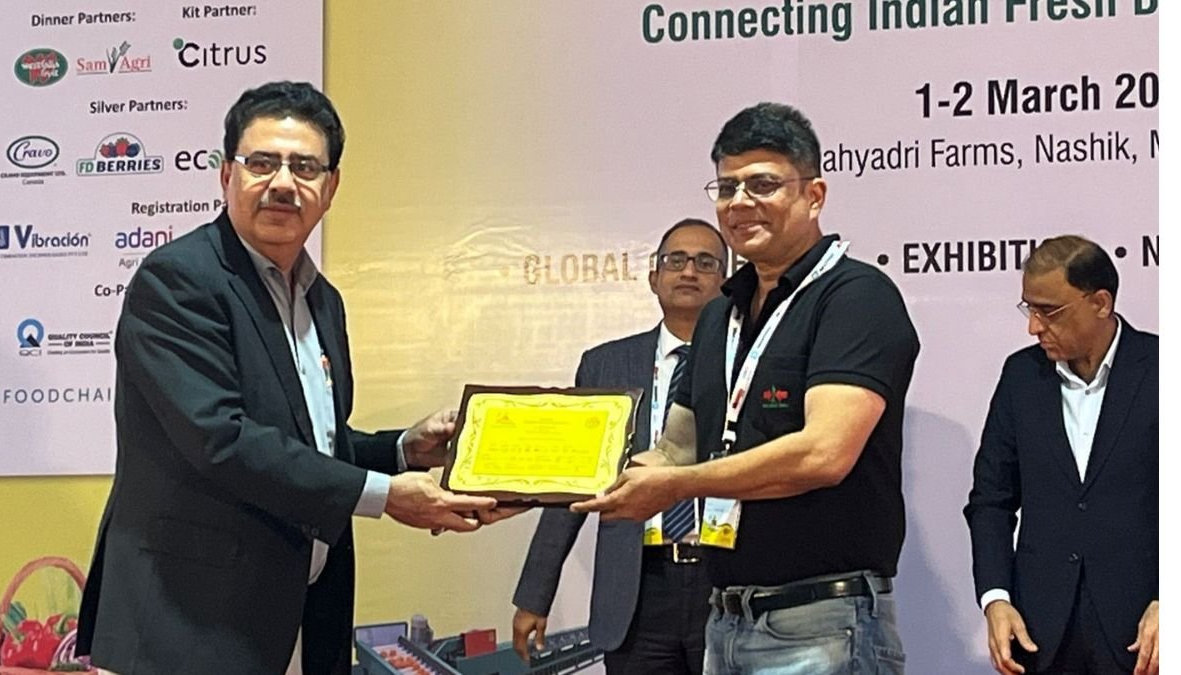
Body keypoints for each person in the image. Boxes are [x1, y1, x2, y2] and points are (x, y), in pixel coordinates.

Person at [76, 81, 501, 675]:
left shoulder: (323, 300)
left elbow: (307, 444)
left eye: (304, 167)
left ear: (330, 187)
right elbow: (221, 439)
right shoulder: (178, 280)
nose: (282, 183)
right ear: (226, 175)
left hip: (299, 616)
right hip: (190, 624)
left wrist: (403, 450)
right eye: (262, 163)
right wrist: (384, 496)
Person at [574, 102, 920, 674]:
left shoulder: (856, 297)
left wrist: (675, 485)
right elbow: (677, 446)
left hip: (821, 622)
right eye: (727, 186)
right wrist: (552, 483)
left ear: (814, 195)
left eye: (762, 185)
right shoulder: (720, 314)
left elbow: (823, 455)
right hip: (727, 620)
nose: (739, 203)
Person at [511, 219, 728, 673]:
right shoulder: (606, 365)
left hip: (725, 581)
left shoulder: (746, 361)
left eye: (706, 263)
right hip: (635, 589)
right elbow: (571, 485)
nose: (689, 271)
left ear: (726, 282)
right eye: (676, 261)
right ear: (653, 277)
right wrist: (535, 594)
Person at [964, 236, 1158, 675]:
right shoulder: (1021, 376)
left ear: (1101, 303)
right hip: (1041, 637)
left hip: (1146, 636)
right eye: (1028, 309)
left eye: (1049, 312)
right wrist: (996, 599)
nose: (1033, 327)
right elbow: (991, 500)